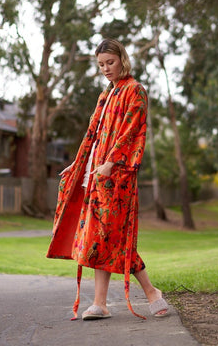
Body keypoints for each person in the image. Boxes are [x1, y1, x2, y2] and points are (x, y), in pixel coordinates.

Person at [46, 38, 169, 321]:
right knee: (97, 238)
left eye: (110, 63)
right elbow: (93, 133)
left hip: (118, 176)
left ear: (122, 59)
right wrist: (77, 165)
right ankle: (101, 303)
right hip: (96, 174)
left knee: (116, 236)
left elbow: (131, 131)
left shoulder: (134, 91)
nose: (105, 69)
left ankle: (151, 292)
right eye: (101, 64)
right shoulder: (105, 95)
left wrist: (112, 162)